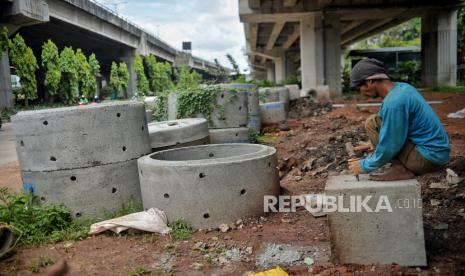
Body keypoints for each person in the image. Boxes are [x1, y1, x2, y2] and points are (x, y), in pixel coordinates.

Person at [347, 58, 450, 181]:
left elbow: (391, 143)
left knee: (372, 123)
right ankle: (401, 166)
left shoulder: (394, 102)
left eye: (360, 87)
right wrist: (372, 144)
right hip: (438, 153)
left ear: (370, 81)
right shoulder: (402, 88)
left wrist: (364, 165)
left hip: (428, 159)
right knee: (376, 121)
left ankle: (400, 169)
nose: (361, 92)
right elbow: (396, 126)